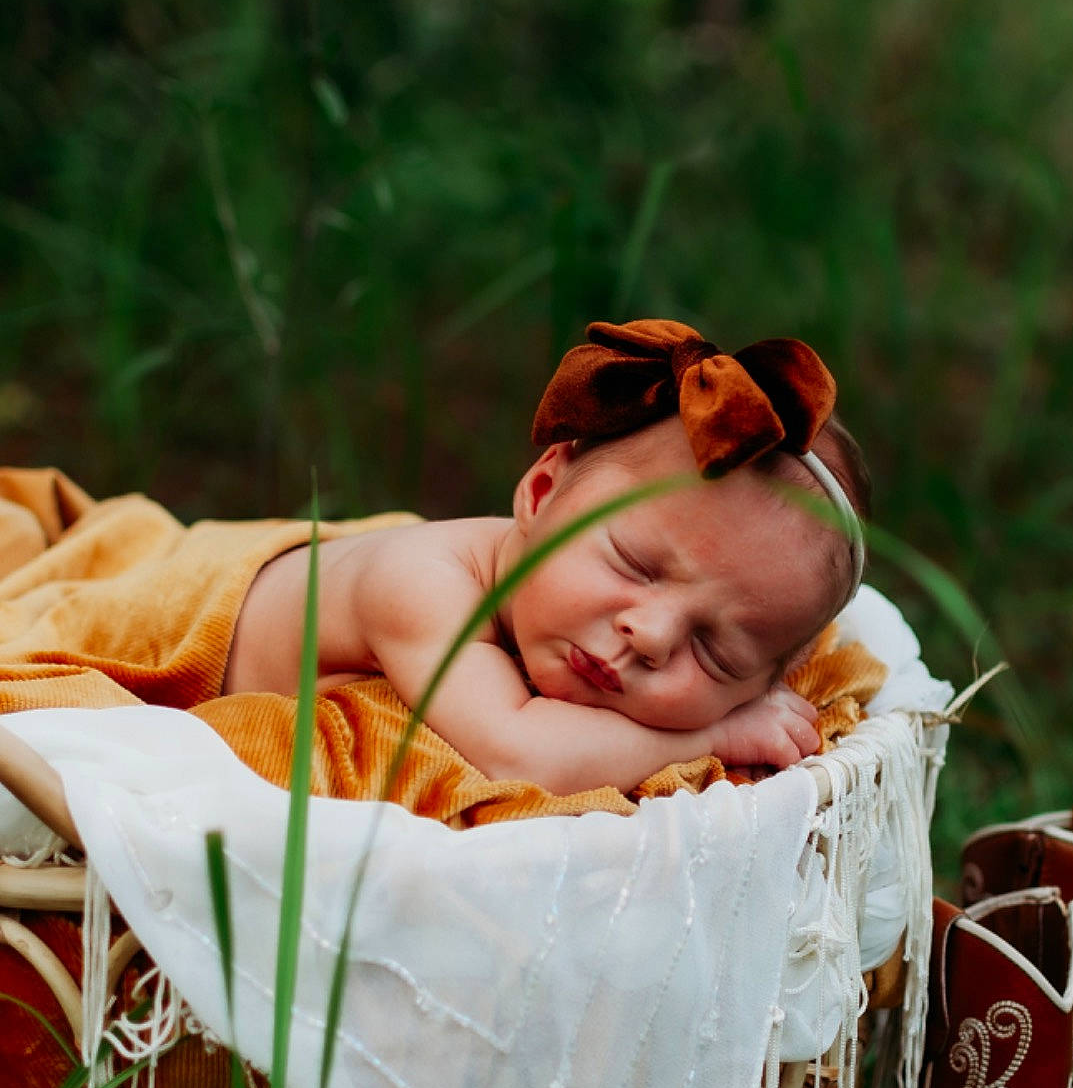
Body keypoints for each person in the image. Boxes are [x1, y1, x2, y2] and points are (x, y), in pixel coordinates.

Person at [223, 319, 871, 797]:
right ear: (540, 493)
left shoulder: (558, 610)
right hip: (203, 644)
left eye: (716, 651)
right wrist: (716, 736)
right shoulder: (420, 586)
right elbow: (519, 755)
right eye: (634, 565)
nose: (650, 634)